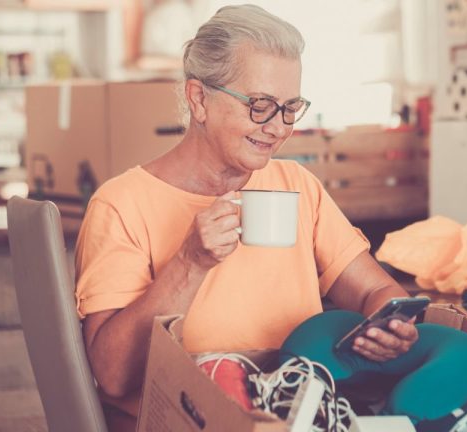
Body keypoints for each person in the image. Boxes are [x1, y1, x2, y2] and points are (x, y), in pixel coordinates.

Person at [74, 4, 418, 430]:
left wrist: (390, 324)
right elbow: (112, 376)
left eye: (290, 107)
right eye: (260, 104)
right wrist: (189, 264)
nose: (277, 127)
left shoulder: (297, 184)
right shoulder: (121, 203)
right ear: (199, 98)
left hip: (300, 417)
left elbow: (375, 291)